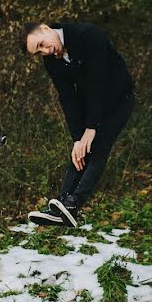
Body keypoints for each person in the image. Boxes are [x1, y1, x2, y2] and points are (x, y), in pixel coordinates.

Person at [19, 21, 135, 227]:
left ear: (46, 29)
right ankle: (61, 205)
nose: (45, 51)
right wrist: (77, 138)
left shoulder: (88, 35)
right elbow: (67, 97)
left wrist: (91, 128)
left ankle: (74, 203)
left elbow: (97, 82)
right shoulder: (51, 59)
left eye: (42, 44)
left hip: (118, 99)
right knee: (81, 149)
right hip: (89, 104)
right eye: (39, 52)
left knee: (97, 146)